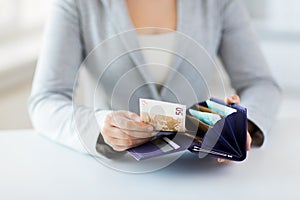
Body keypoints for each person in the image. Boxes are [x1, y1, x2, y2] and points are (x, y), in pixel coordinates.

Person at [28, 0, 281, 162]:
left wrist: (242, 124)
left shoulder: (220, 3)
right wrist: (101, 124)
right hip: (115, 175)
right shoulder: (76, 4)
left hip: (200, 173)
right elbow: (46, 99)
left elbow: (260, 83)